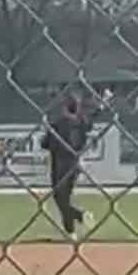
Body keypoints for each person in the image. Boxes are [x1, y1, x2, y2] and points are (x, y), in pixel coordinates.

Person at [42, 94, 92, 237]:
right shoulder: (82, 122)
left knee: (60, 198)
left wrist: (48, 132)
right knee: (65, 197)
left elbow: (45, 144)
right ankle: (71, 231)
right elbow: (89, 123)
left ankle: (79, 216)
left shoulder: (59, 123)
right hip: (75, 162)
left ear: (65, 108)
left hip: (61, 163)